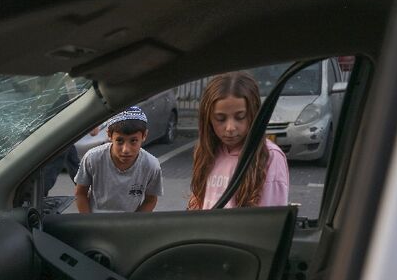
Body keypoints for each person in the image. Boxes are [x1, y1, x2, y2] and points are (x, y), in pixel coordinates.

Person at [188, 72, 289, 210]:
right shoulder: (207, 151)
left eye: (240, 117)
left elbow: (268, 221)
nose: (230, 128)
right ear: (208, 120)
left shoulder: (270, 157)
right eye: (220, 119)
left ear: (254, 114)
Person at [73, 106, 163, 213]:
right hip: (96, 223)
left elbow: (151, 200)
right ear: (109, 135)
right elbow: (80, 194)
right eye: (119, 141)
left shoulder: (151, 165)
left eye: (133, 141)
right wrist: (88, 223)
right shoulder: (93, 158)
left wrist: (135, 224)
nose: (126, 150)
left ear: (144, 136)